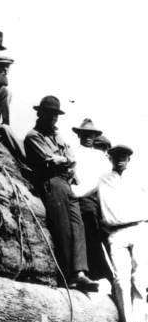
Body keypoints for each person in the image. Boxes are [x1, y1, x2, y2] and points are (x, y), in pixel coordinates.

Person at [24, 96, 99, 292]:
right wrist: (63, 160)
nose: (53, 119)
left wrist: (62, 159)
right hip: (51, 183)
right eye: (49, 114)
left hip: (66, 183)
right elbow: (50, 160)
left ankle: (81, 272)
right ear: (40, 113)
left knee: (78, 224)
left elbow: (71, 159)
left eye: (55, 115)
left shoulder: (57, 136)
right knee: (63, 227)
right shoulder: (33, 136)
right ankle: (68, 275)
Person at [98, 145, 148, 322]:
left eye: (124, 156)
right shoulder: (103, 179)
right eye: (116, 156)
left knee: (140, 277)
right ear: (110, 159)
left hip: (139, 228)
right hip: (116, 232)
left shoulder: (138, 178)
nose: (120, 159)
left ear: (129, 159)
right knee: (120, 279)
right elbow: (82, 192)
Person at [70, 118, 110, 279]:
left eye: (91, 135)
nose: (88, 137)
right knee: (87, 225)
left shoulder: (100, 156)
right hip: (80, 198)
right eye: (85, 134)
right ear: (79, 135)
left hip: (96, 196)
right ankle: (97, 273)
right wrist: (76, 190)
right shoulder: (72, 152)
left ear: (95, 137)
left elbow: (102, 179)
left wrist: (80, 191)